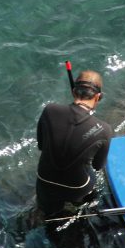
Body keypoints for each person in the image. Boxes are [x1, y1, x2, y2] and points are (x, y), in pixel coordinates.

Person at [36, 70, 114, 218]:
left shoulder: (49, 110)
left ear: (74, 92)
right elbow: (98, 166)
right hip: (77, 187)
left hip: (44, 180)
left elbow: (41, 145)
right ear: (98, 97)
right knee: (90, 179)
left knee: (49, 213)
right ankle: (81, 204)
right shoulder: (104, 129)